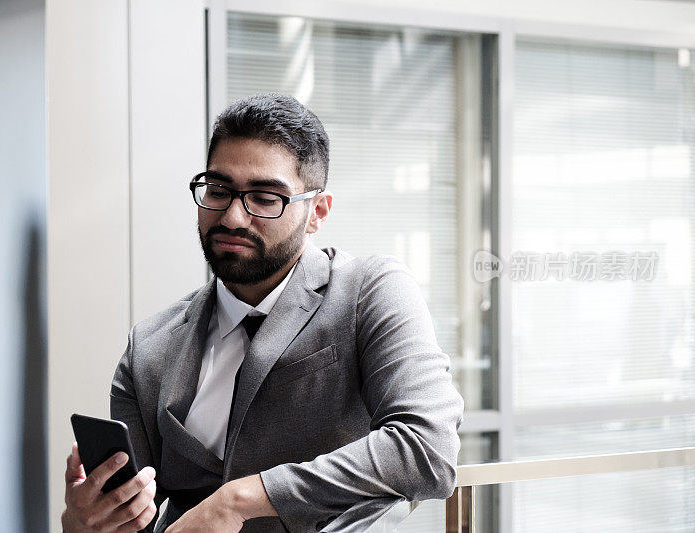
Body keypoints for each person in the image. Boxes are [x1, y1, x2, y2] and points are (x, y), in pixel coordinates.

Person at [62, 93, 464, 533]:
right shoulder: (150, 347)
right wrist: (88, 525)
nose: (233, 216)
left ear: (317, 213)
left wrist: (238, 501)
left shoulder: (369, 289)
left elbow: (427, 447)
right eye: (218, 190)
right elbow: (129, 516)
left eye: (265, 197)